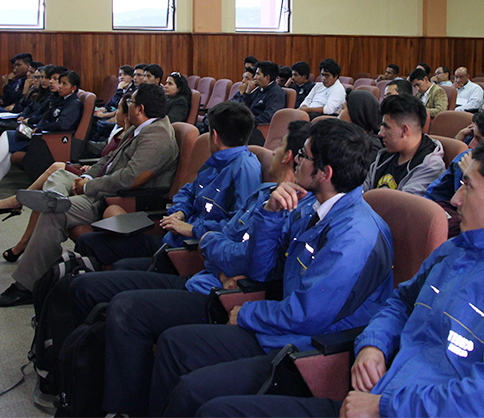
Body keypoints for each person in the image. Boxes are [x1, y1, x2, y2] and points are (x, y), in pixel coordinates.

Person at [199, 139, 484, 418]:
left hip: (396, 407)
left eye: (467, 186)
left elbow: (483, 397)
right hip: (377, 392)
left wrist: (383, 406)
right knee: (215, 407)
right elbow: (400, 301)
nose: (455, 199)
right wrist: (373, 344)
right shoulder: (456, 250)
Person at [147, 119, 395, 418]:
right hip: (280, 326)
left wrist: (249, 314)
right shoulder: (312, 208)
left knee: (193, 391)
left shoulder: (355, 234)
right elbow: (261, 270)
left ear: (325, 173)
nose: (297, 160)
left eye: (304, 156)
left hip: (310, 349)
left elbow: (308, 315)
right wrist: (271, 213)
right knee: (175, 344)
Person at [67, 121, 313, 417]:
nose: (272, 151)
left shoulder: (293, 207)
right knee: (107, 291)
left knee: (128, 309)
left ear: (289, 156)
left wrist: (209, 242)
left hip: (219, 294)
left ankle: (123, 410)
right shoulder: (262, 192)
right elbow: (218, 231)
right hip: (198, 269)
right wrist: (209, 240)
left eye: (280, 145)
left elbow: (251, 263)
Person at [0, 84, 180, 307]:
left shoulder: (157, 136)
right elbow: (110, 160)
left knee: (55, 209)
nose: (127, 106)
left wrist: (89, 187)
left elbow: (131, 179)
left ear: (139, 108)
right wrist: (87, 179)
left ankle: (26, 284)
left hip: (127, 202)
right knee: (54, 209)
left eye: (131, 102)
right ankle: (30, 283)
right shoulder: (142, 127)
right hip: (106, 193)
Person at [74, 102, 262, 266]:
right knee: (88, 242)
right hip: (174, 236)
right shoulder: (216, 160)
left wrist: (193, 229)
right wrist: (180, 212)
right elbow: (189, 192)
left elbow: (239, 226)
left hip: (191, 249)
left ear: (213, 136)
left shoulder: (245, 168)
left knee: (120, 266)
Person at [0, 70, 83, 195]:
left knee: (8, 135)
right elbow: (45, 116)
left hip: (49, 140)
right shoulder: (60, 100)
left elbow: (62, 125)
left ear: (73, 88)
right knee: (9, 150)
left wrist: (40, 129)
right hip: (41, 133)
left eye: (64, 84)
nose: (60, 86)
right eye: (60, 83)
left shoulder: (74, 104)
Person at [364, 94, 445, 196]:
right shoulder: (385, 155)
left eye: (386, 127)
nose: (380, 133)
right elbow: (363, 189)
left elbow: (400, 207)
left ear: (404, 130)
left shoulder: (430, 166)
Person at [233, 61, 286, 125]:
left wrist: (245, 121)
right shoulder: (259, 89)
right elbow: (243, 107)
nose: (254, 77)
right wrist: (248, 92)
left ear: (267, 77)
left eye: (258, 74)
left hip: (257, 127)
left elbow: (267, 117)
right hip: (248, 123)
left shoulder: (277, 93)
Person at [339, 89, 383, 158]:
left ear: (355, 114)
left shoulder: (370, 149)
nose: (339, 113)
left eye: (343, 108)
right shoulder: (344, 137)